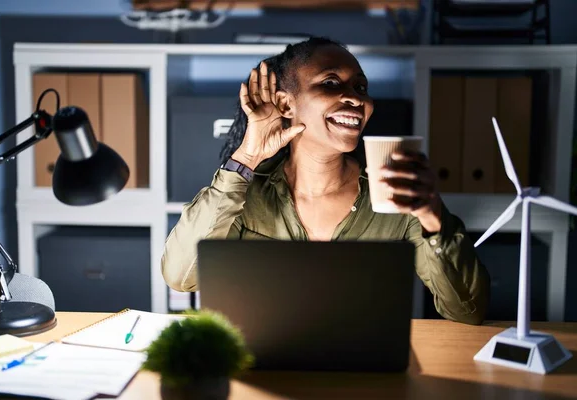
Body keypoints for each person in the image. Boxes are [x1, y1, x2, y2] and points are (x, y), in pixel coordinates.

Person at [162, 37, 490, 325]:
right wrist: (246, 158)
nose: (355, 98)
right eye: (331, 83)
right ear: (287, 104)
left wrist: (433, 221)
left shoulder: (395, 192)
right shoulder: (244, 192)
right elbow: (180, 277)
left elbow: (467, 312)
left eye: (361, 87)